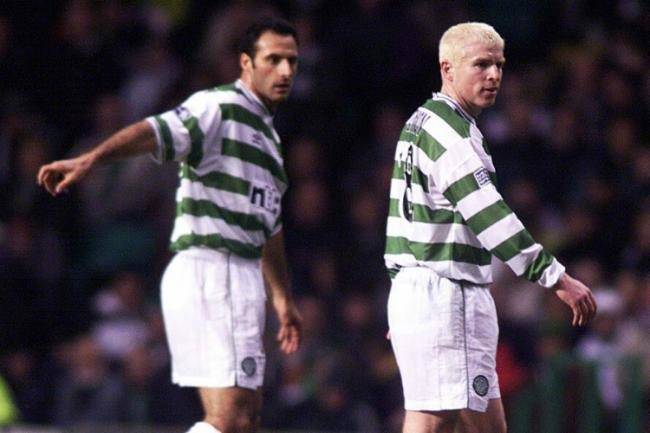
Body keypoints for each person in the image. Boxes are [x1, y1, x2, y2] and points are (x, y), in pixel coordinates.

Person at [37, 17, 302, 433]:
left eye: (292, 61)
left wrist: (283, 299)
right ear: (246, 63)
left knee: (243, 420)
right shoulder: (219, 107)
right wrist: (93, 158)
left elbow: (269, 227)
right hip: (215, 270)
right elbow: (158, 130)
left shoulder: (269, 141)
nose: (284, 71)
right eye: (273, 59)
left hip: (236, 276)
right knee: (231, 418)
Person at [384, 22, 597, 433]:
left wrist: (406, 297)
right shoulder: (452, 136)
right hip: (448, 294)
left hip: (420, 290)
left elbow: (400, 221)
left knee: (452, 422)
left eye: (499, 65)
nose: (494, 75)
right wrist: (556, 277)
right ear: (447, 68)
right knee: (445, 423)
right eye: (481, 65)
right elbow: (491, 218)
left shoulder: (419, 124)